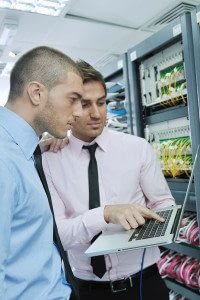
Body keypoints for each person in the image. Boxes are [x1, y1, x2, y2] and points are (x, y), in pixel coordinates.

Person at [42, 60, 175, 300]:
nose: (96, 113)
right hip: (88, 290)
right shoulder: (50, 160)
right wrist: (104, 214)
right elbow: (58, 234)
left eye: (101, 102)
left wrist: (154, 224)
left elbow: (163, 202)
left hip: (145, 282)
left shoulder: (137, 148)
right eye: (85, 104)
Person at [0, 46, 84, 299]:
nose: (79, 112)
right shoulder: (4, 160)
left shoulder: (22, 151)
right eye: (73, 99)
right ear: (37, 93)